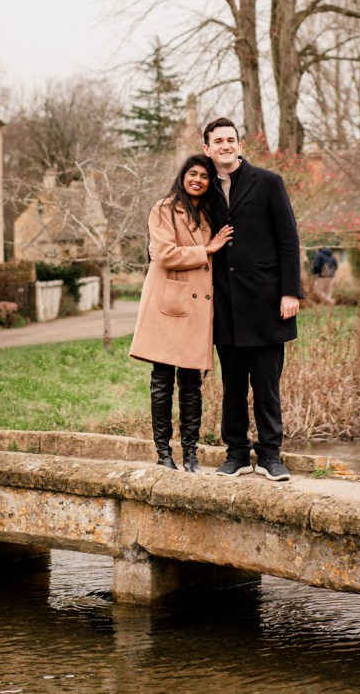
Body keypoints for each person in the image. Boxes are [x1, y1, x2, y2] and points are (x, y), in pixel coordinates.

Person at [202, 117, 302, 482]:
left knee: (266, 385)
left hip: (266, 303)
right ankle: (237, 454)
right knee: (232, 386)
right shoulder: (202, 188)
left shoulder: (269, 182)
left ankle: (272, 455)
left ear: (239, 145)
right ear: (207, 148)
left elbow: (288, 239)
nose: (225, 145)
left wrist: (290, 291)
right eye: (218, 140)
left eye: (231, 139)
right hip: (224, 306)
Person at [130, 154, 233, 472]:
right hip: (168, 304)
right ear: (183, 175)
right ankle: (163, 455)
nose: (198, 180)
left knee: (191, 384)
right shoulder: (164, 208)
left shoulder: (210, 213)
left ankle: (190, 455)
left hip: (197, 309)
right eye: (193, 173)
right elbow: (162, 253)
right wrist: (207, 250)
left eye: (204, 176)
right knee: (161, 381)